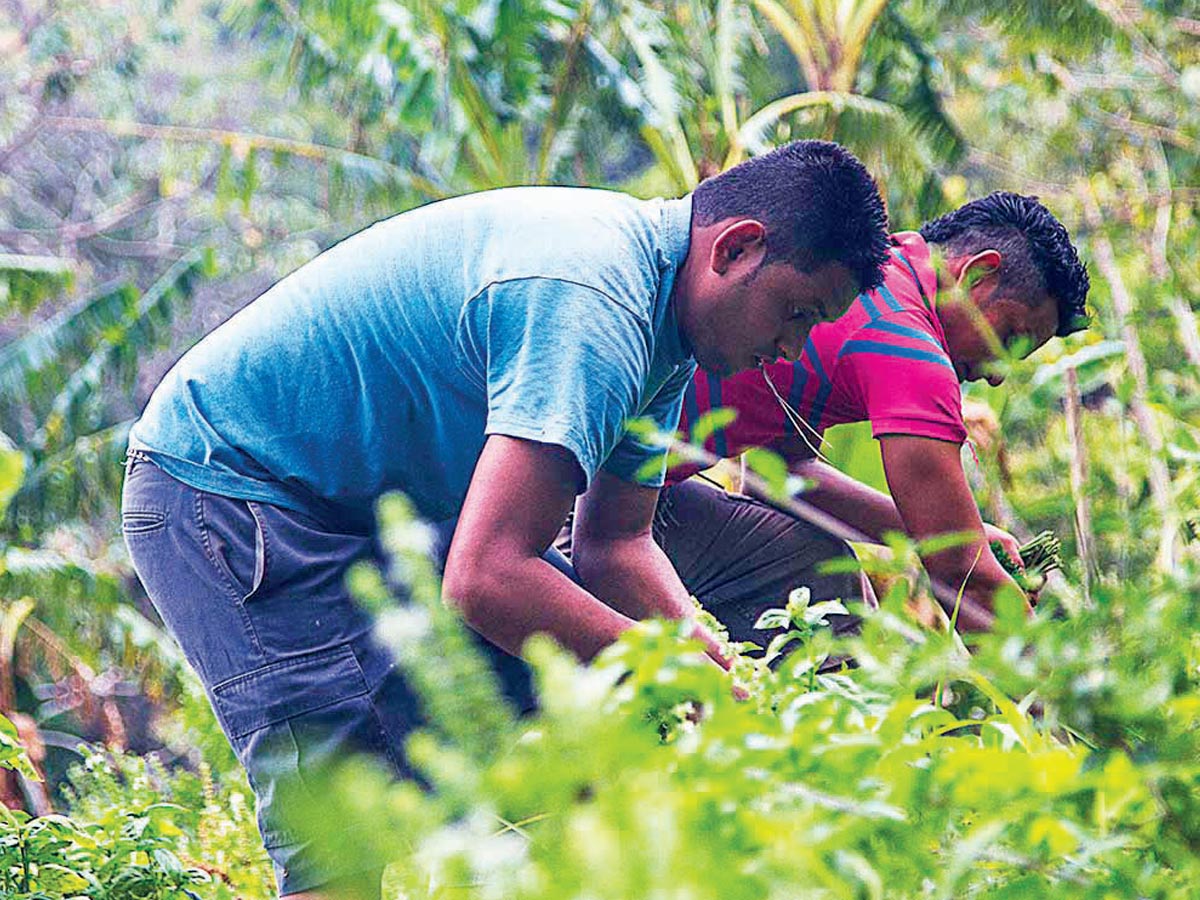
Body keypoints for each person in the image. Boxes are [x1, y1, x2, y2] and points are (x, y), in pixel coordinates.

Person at [119, 140, 890, 898]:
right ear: (736, 248)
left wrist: (714, 670)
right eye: (795, 312)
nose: (790, 349)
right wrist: (674, 672)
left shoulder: (666, 334)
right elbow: (487, 579)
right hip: (230, 491)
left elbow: (617, 543)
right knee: (340, 833)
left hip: (373, 510)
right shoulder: (596, 302)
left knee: (586, 735)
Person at [645, 192, 1090, 643]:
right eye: (1009, 336)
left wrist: (964, 534)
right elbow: (963, 579)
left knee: (820, 573)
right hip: (597, 504)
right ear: (978, 273)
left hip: (634, 488)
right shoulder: (909, 348)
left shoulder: (884, 271)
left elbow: (778, 474)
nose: (997, 377)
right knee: (833, 599)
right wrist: (1076, 702)